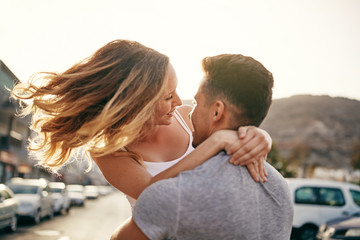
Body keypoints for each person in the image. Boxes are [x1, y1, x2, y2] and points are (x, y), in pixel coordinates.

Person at [11, 40, 271, 208]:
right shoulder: (110, 151)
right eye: (168, 96)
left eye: (178, 91)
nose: (180, 101)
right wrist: (214, 143)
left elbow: (235, 123)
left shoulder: (187, 115)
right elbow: (152, 194)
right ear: (138, 102)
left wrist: (260, 136)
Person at [111, 54, 294, 240]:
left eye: (196, 103)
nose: (185, 107)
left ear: (217, 111)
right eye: (168, 96)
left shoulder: (174, 196)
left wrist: (260, 136)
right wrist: (220, 138)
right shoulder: (280, 187)